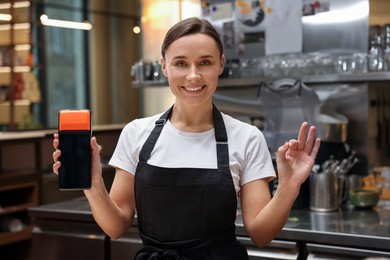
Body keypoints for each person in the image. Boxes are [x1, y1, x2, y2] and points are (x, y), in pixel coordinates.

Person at [52, 17, 321, 260]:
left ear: (220, 65)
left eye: (205, 62)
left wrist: (289, 186)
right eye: (181, 63)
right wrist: (93, 182)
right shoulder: (136, 133)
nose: (193, 75)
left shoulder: (247, 137)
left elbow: (261, 235)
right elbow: (116, 227)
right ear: (164, 67)